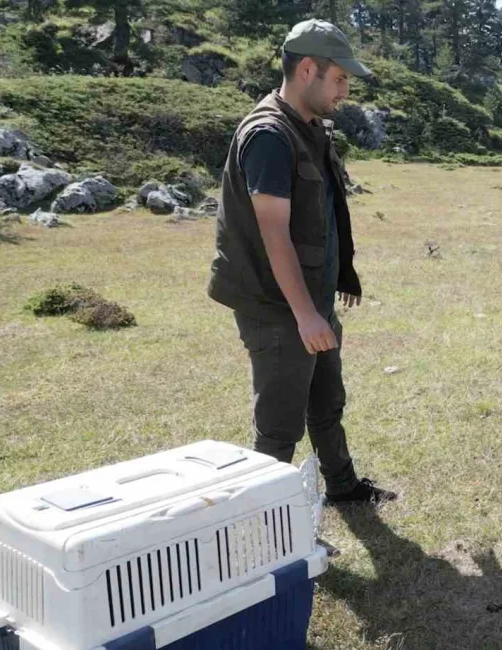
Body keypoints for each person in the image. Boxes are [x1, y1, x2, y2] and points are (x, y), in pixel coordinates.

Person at [206, 19, 396, 506]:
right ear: (307, 69)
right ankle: (259, 523)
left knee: (326, 401)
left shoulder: (308, 128)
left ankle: (344, 487)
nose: (345, 90)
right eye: (339, 79)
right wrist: (305, 314)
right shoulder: (270, 136)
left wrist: (323, 299)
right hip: (278, 306)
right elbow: (275, 235)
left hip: (311, 297)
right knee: (279, 426)